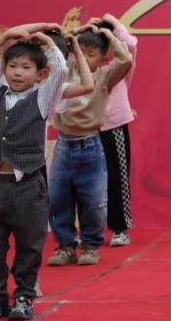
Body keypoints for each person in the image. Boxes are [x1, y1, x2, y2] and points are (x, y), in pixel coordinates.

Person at [0, 26, 66, 321]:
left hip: (27, 184)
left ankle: (24, 297)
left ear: (40, 74)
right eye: (12, 66)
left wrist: (47, 41)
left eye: (26, 67)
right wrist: (6, 37)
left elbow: (61, 70)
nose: (17, 72)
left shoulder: (43, 99)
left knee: (30, 244)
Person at [47, 23, 132, 267]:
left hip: (91, 145)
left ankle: (90, 246)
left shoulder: (105, 76)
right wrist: (73, 38)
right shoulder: (63, 73)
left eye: (91, 54)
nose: (83, 58)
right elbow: (53, 52)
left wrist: (109, 37)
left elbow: (126, 59)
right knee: (58, 199)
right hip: (64, 144)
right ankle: (65, 246)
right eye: (80, 53)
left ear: (103, 58)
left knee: (94, 201)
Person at [95, 14, 139, 248]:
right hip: (85, 129)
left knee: (117, 177)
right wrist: (87, 32)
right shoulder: (83, 66)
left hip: (114, 126)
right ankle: (90, 230)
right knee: (85, 181)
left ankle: (120, 228)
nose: (105, 49)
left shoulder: (121, 66)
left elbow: (131, 44)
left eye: (109, 43)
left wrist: (111, 23)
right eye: (99, 45)